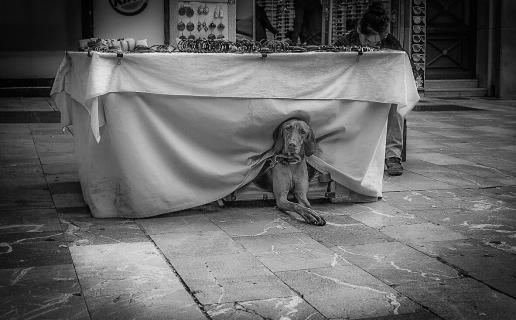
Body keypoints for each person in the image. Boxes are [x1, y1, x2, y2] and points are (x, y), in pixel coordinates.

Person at [333, 1, 405, 176]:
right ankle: (342, 150)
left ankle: (392, 155)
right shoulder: (344, 41)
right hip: (352, 89)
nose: (373, 43)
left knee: (396, 100)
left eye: (377, 40)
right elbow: (333, 69)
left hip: (380, 90)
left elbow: (399, 69)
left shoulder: (391, 43)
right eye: (368, 40)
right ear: (359, 30)